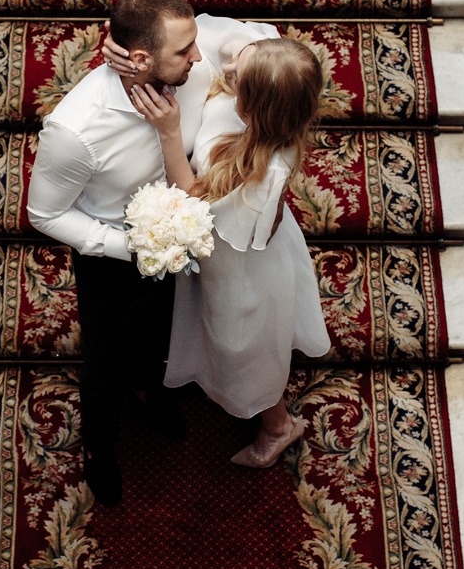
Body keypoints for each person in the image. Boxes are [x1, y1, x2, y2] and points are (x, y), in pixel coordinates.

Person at [26, 0, 276, 505]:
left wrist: (170, 246)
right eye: (185, 50)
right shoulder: (75, 131)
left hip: (182, 237)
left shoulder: (190, 65)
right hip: (111, 258)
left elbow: (261, 40)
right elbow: (44, 213)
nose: (200, 56)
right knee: (104, 364)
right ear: (141, 58)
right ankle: (101, 449)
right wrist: (128, 250)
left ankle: (153, 390)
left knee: (164, 331)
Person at [127, 35, 330, 468]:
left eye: (241, 72)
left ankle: (278, 427)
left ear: (252, 108)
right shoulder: (269, 92)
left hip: (240, 271)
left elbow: (193, 202)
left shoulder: (260, 169)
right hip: (245, 243)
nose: (228, 67)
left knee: (242, 349)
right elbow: (223, 39)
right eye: (243, 56)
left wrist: (169, 132)